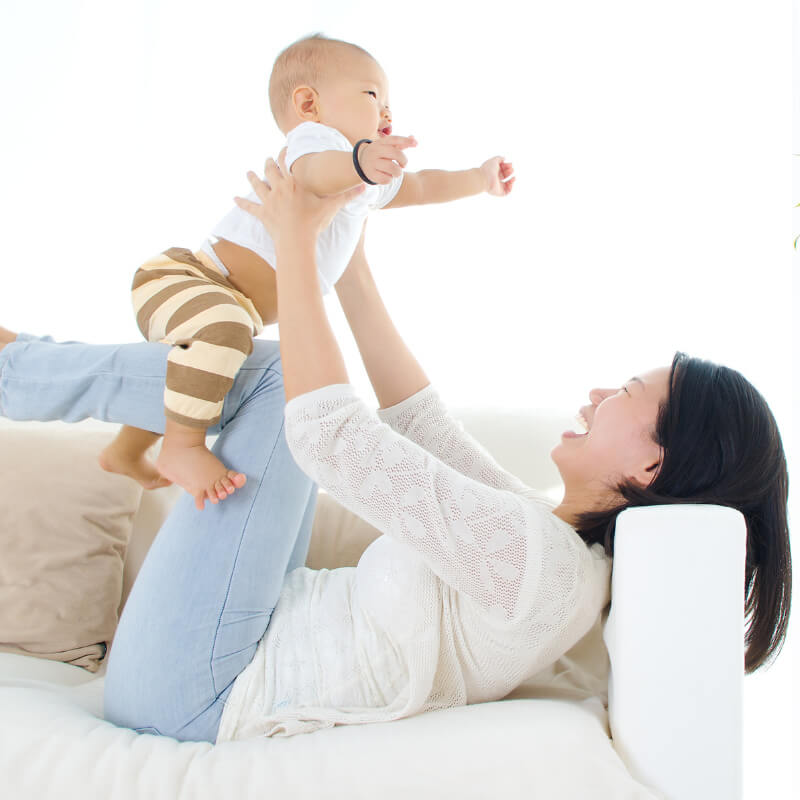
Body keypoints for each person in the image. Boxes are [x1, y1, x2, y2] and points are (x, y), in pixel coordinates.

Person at [0, 156, 790, 744]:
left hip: (196, 689)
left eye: (625, 393)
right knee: (272, 377)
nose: (594, 395)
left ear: (649, 467)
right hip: (223, 650)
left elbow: (329, 436)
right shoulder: (553, 548)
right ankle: (26, 369)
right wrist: (350, 260)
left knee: (276, 381)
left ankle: (16, 372)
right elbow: (422, 426)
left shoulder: (538, 570)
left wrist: (298, 245)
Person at [98, 33, 515, 511]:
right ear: (309, 103)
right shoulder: (316, 143)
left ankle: (126, 451)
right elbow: (317, 173)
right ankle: (182, 446)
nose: (387, 114)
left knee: (206, 367)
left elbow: (420, 185)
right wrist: (358, 160)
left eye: (389, 104)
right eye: (373, 95)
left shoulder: (362, 179)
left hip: (226, 302)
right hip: (189, 280)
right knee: (225, 336)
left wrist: (478, 179)